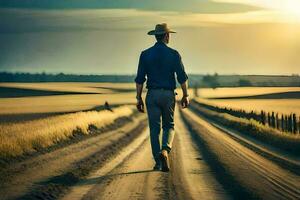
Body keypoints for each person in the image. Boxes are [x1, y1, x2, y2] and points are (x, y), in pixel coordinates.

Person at [134, 23, 189, 172]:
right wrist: (186, 95)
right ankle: (165, 150)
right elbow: (182, 77)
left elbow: (140, 79)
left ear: (155, 36)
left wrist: (138, 98)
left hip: (152, 94)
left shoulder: (145, 54)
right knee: (169, 126)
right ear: (166, 36)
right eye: (169, 34)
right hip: (168, 94)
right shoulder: (174, 54)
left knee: (154, 129)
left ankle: (158, 162)